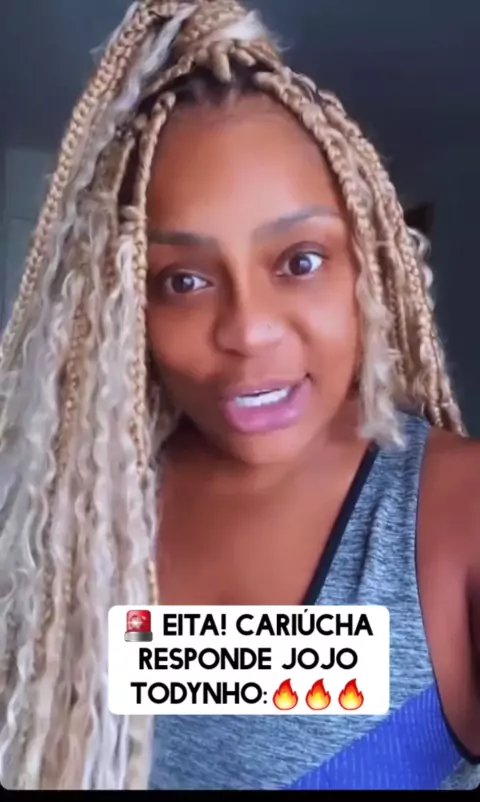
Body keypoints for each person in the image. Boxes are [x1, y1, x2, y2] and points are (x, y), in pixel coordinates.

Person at [0, 0, 478, 791]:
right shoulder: (78, 506)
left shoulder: (457, 515)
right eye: (183, 281)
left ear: (369, 268)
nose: (248, 331)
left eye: (300, 261)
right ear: (125, 309)